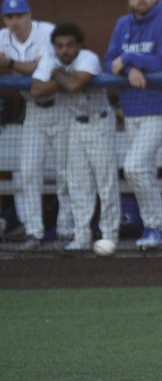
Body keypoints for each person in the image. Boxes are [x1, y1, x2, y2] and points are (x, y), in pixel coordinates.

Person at [30, 23, 119, 252]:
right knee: (78, 184)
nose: (64, 50)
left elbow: (74, 85)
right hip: (75, 125)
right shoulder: (50, 58)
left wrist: (57, 74)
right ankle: (81, 237)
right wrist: (62, 79)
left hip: (99, 122)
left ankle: (110, 235)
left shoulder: (87, 57)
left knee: (105, 183)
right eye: (59, 46)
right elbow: (36, 92)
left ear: (78, 45)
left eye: (69, 45)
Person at [104, 0, 162, 250]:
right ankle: (155, 230)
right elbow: (109, 62)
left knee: (134, 167)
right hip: (131, 107)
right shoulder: (122, 24)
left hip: (159, 104)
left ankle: (156, 227)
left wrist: (128, 59)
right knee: (144, 169)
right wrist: (129, 69)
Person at [1, 0, 73, 249]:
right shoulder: (3, 38)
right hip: (33, 112)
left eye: (19, 16)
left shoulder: (48, 32)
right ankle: (34, 232)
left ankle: (65, 231)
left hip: (62, 108)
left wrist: (8, 63)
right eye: (9, 17)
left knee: (66, 174)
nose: (15, 22)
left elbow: (42, 72)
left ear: (29, 15)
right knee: (28, 172)